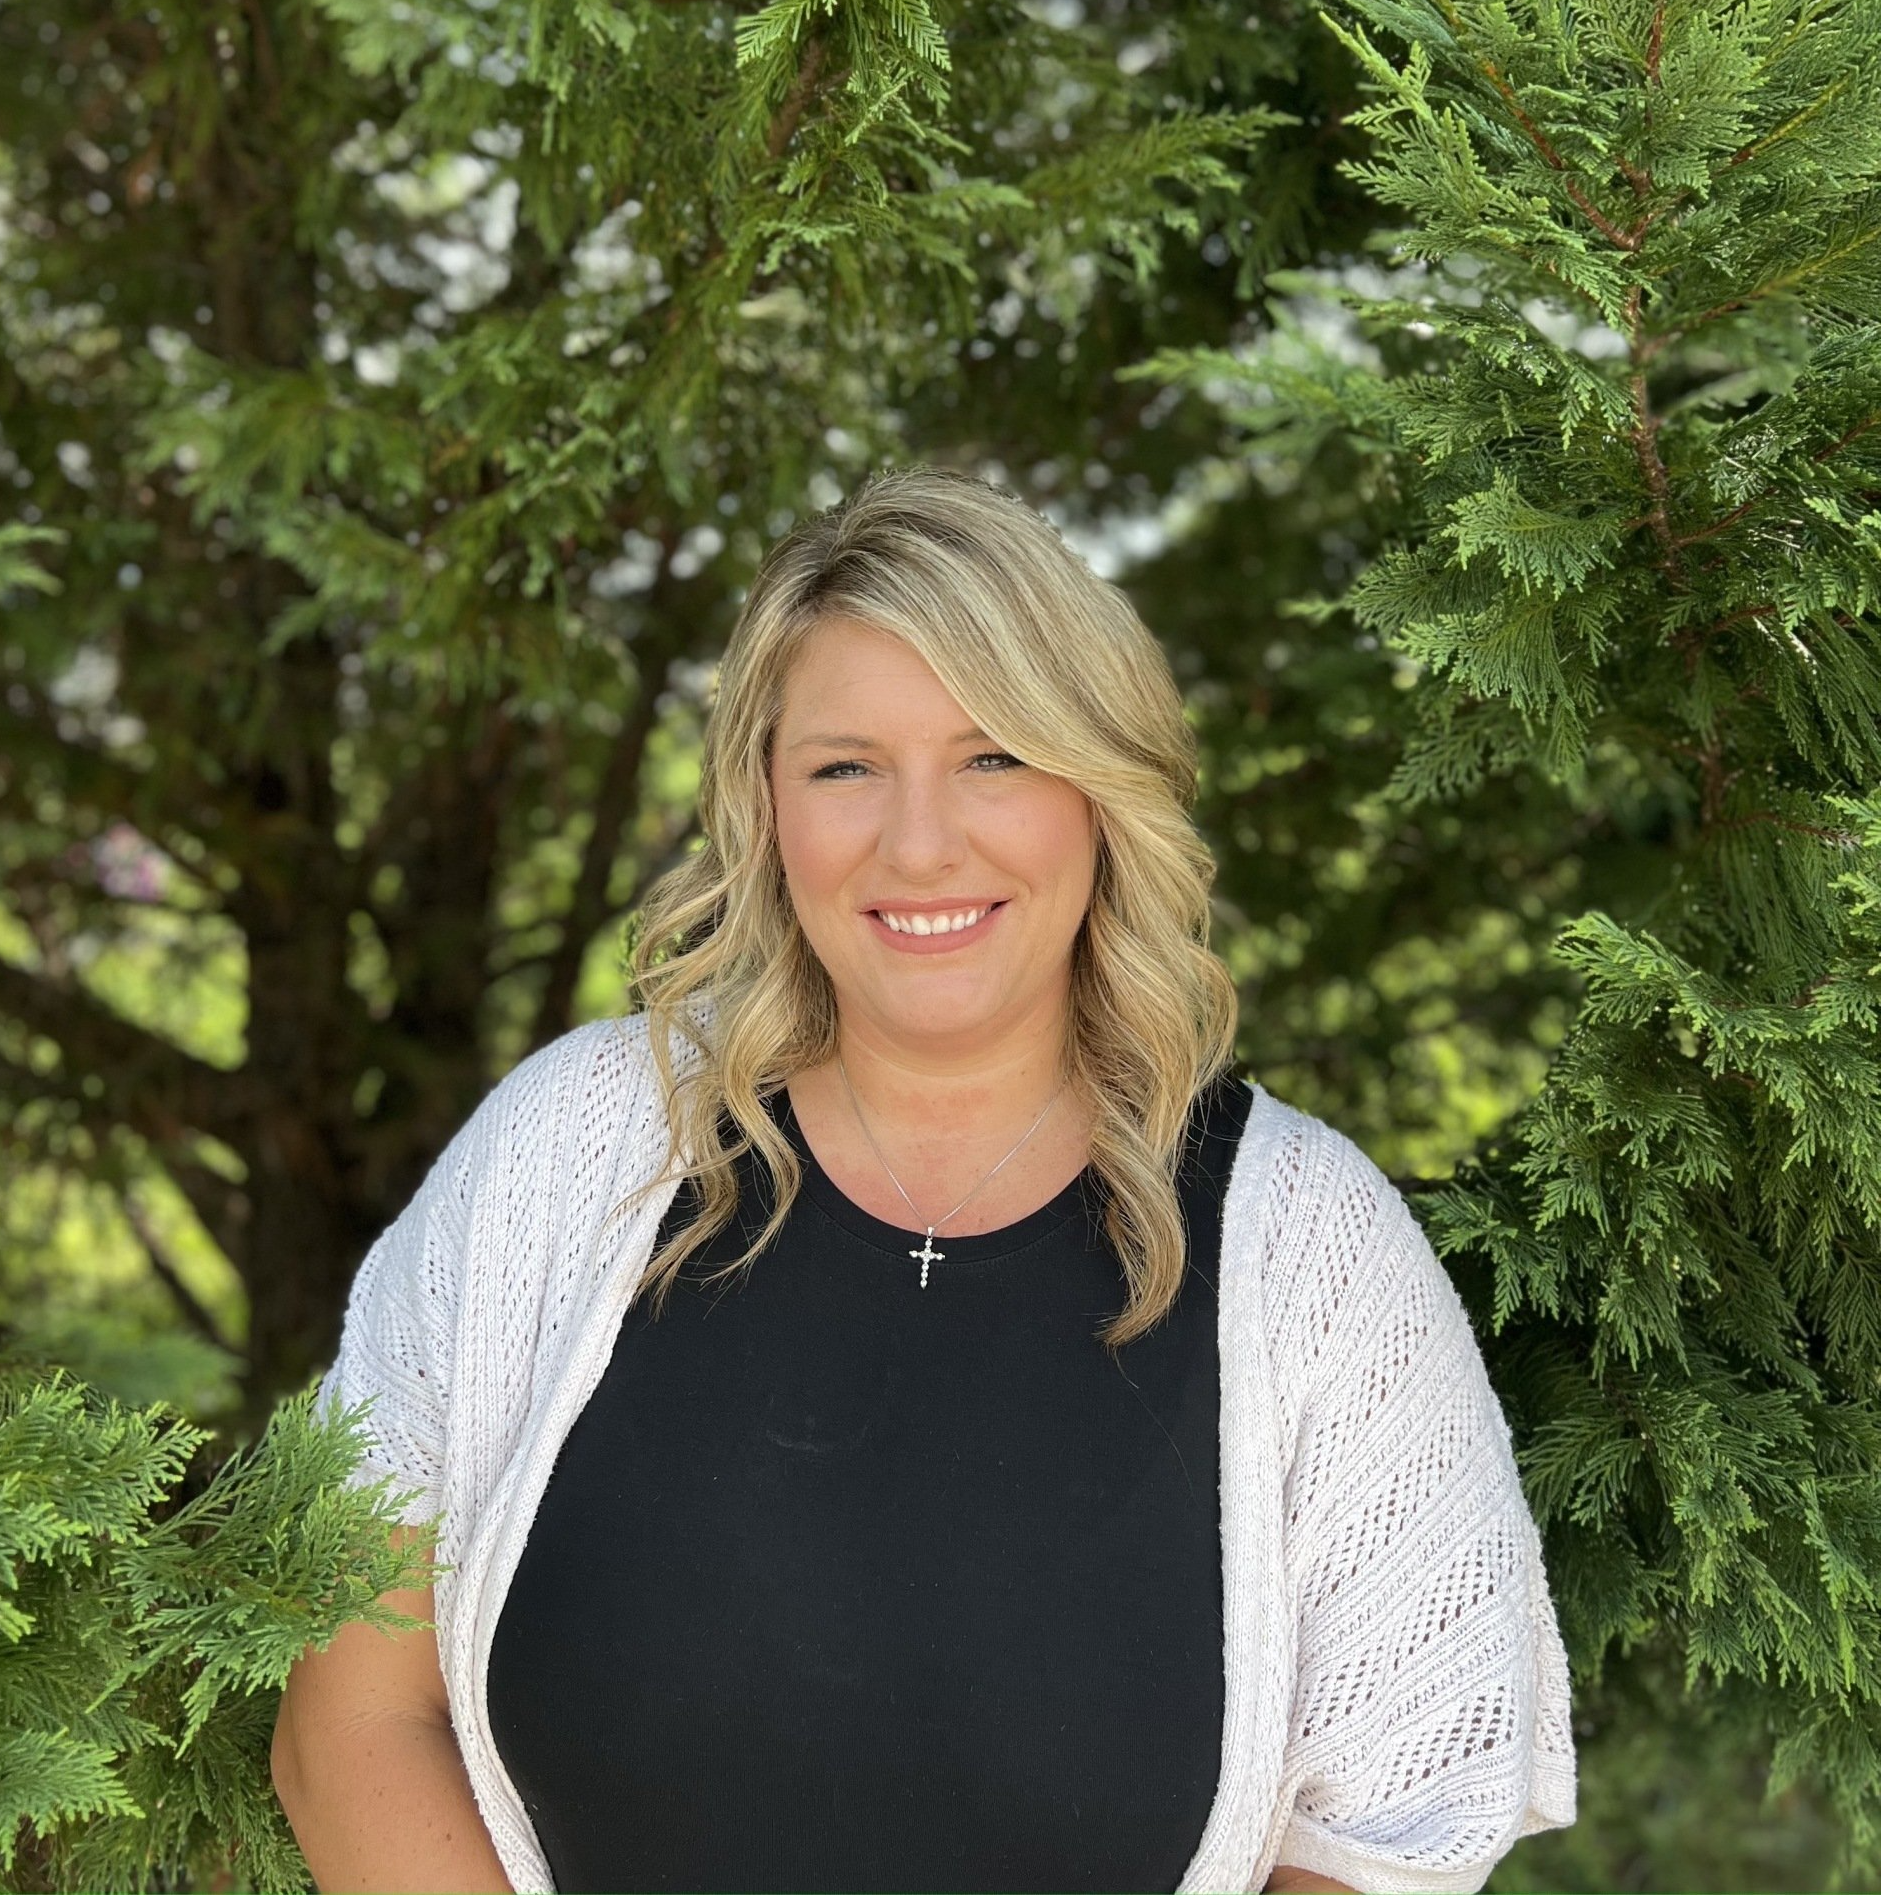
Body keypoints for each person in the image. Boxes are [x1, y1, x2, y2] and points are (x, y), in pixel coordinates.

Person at [270, 466, 1578, 1894]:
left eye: (993, 755)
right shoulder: (573, 1152)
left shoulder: (1316, 1257)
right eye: (846, 766)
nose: (919, 842)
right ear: (767, 806)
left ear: (1100, 787)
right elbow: (353, 1714)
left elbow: (1384, 1849)